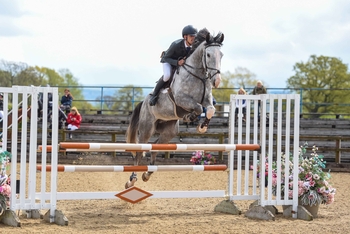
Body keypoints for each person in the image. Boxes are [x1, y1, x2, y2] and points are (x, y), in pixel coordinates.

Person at [149, 25, 198, 106]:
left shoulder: (194, 47)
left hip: (181, 63)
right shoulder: (176, 45)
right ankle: (154, 95)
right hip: (168, 61)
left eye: (195, 36)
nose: (194, 38)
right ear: (185, 37)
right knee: (167, 76)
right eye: (191, 36)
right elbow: (166, 58)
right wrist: (177, 62)